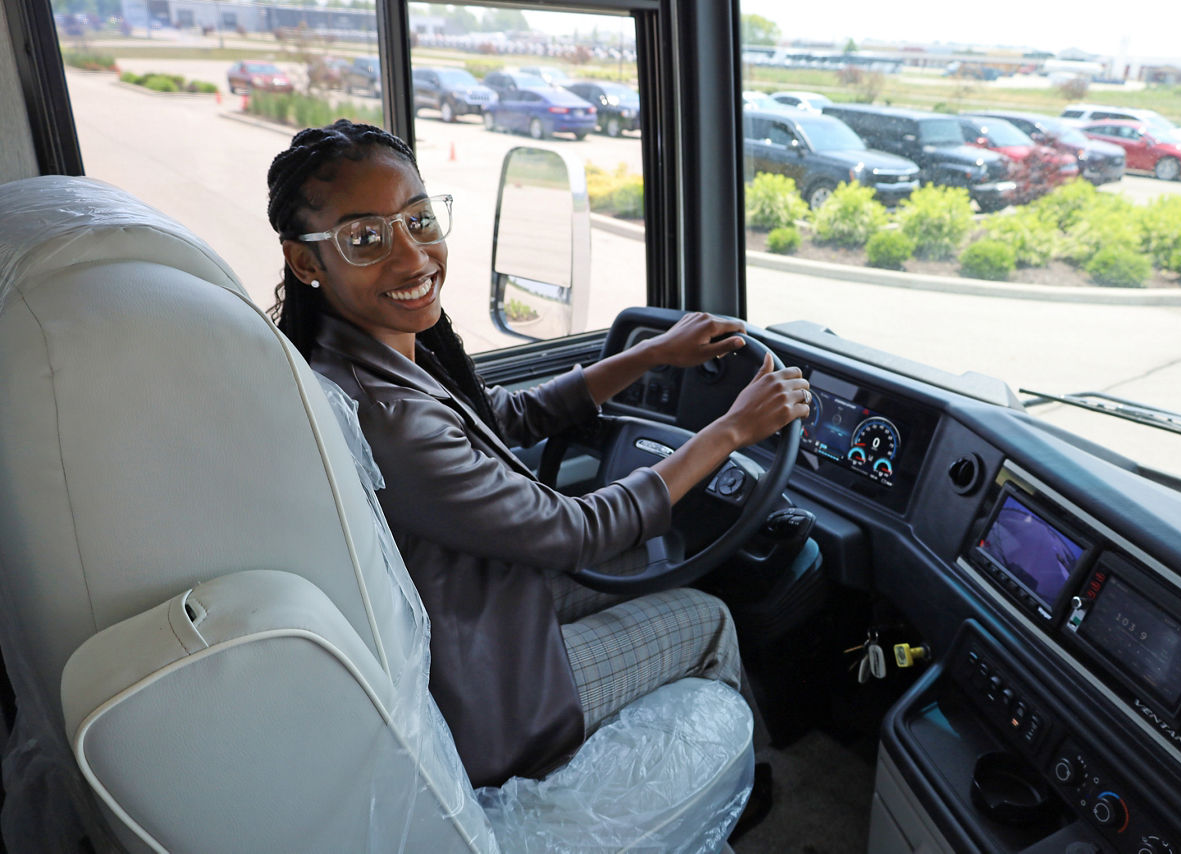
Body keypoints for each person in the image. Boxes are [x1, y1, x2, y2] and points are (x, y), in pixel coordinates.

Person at [266, 120, 810, 787]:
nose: (412, 258)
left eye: (419, 219)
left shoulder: (364, 356)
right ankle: (728, 794)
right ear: (305, 261)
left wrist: (649, 354)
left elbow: (504, 417)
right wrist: (728, 433)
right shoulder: (389, 415)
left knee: (643, 559)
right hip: (491, 697)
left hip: (475, 613)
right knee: (708, 617)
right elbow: (573, 532)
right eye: (366, 238)